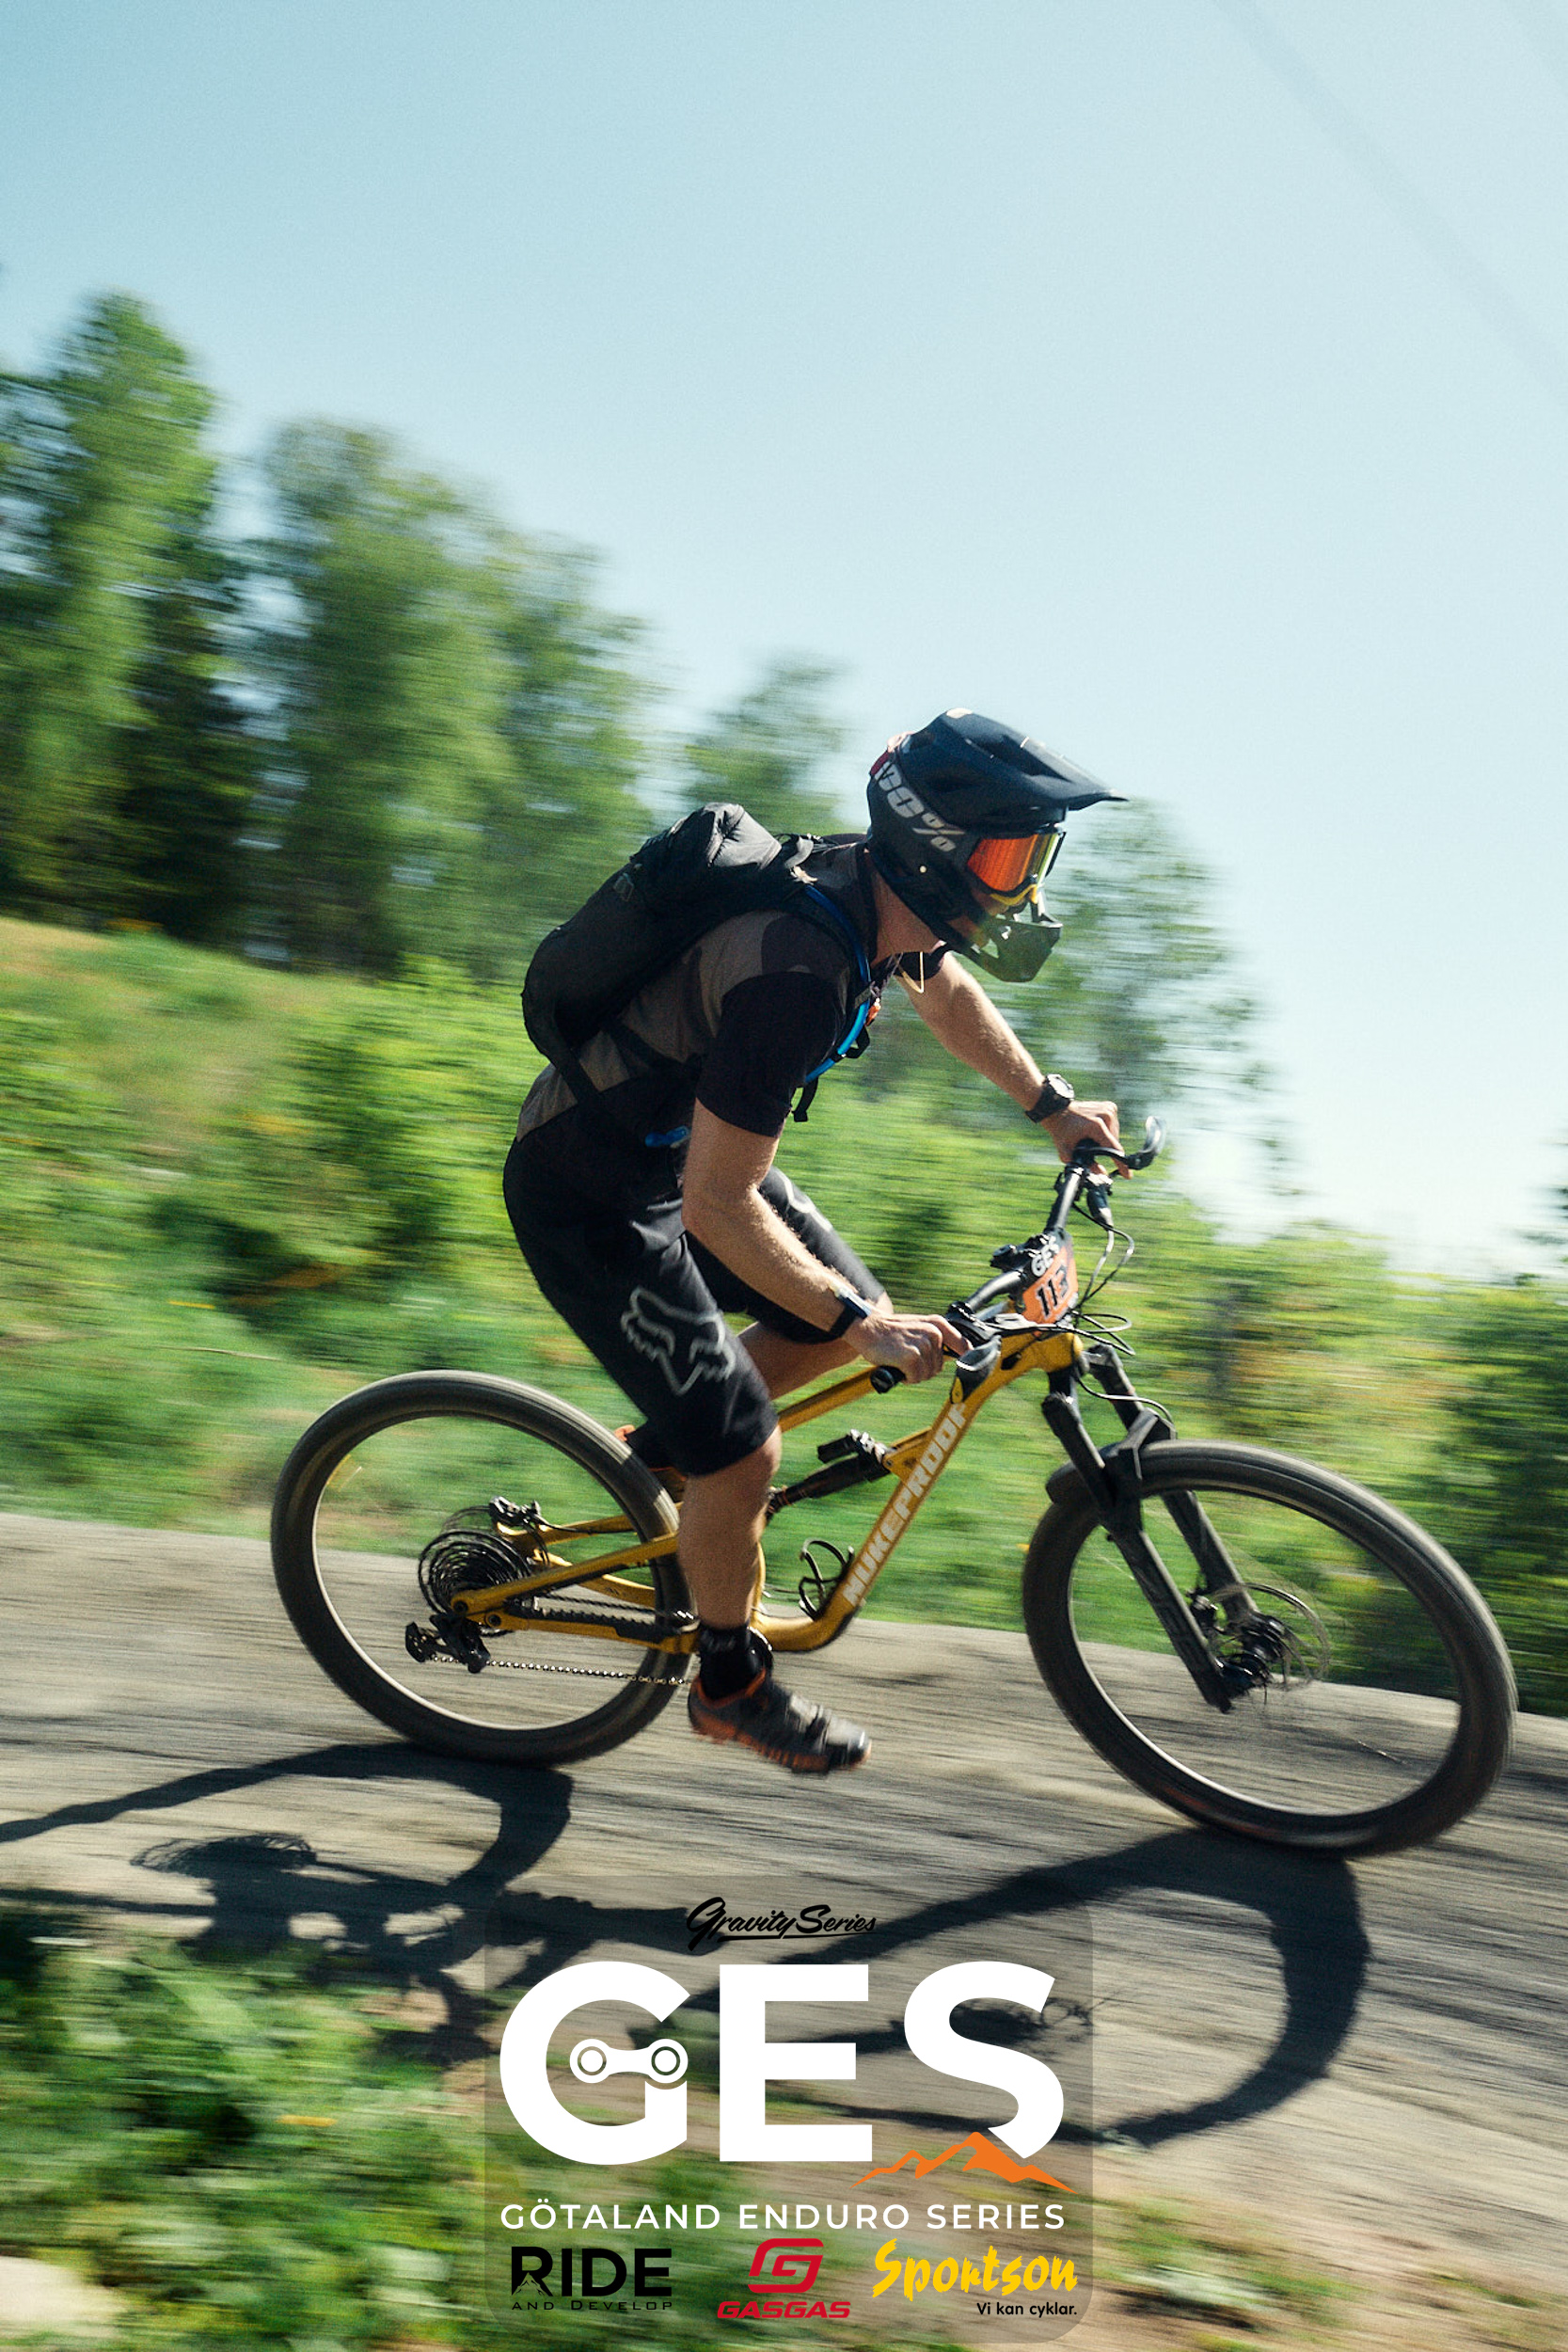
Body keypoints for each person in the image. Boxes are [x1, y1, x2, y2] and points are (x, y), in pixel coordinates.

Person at [503, 709, 1124, 1775]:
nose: (1021, 885)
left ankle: (668, 1467)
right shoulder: (795, 974)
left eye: (1034, 858)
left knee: (827, 1324)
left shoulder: (869, 901)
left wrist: (1049, 1106)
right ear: (935, 848)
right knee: (753, 1438)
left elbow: (942, 988)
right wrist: (866, 1324)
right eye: (1006, 858)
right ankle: (728, 1684)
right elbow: (718, 1206)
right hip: (591, 1189)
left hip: (672, 1159)